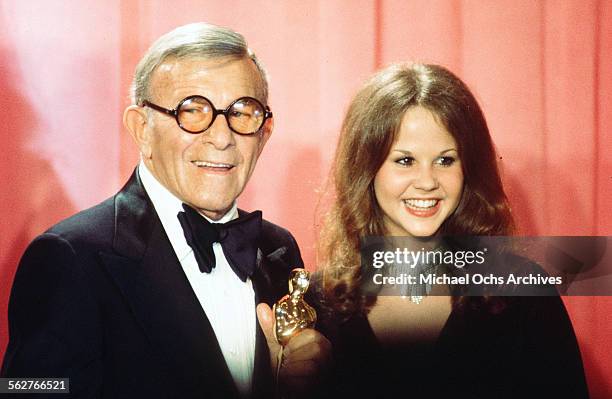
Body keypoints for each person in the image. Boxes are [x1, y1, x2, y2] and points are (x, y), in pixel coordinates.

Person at [1, 22, 330, 399]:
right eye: (192, 110)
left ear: (264, 132)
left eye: (242, 112)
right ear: (141, 128)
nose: (221, 138)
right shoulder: (70, 257)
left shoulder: (278, 249)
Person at [313, 63, 589, 398]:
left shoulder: (522, 293)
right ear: (367, 169)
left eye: (446, 160)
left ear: (468, 169)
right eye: (405, 160)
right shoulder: (319, 302)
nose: (428, 182)